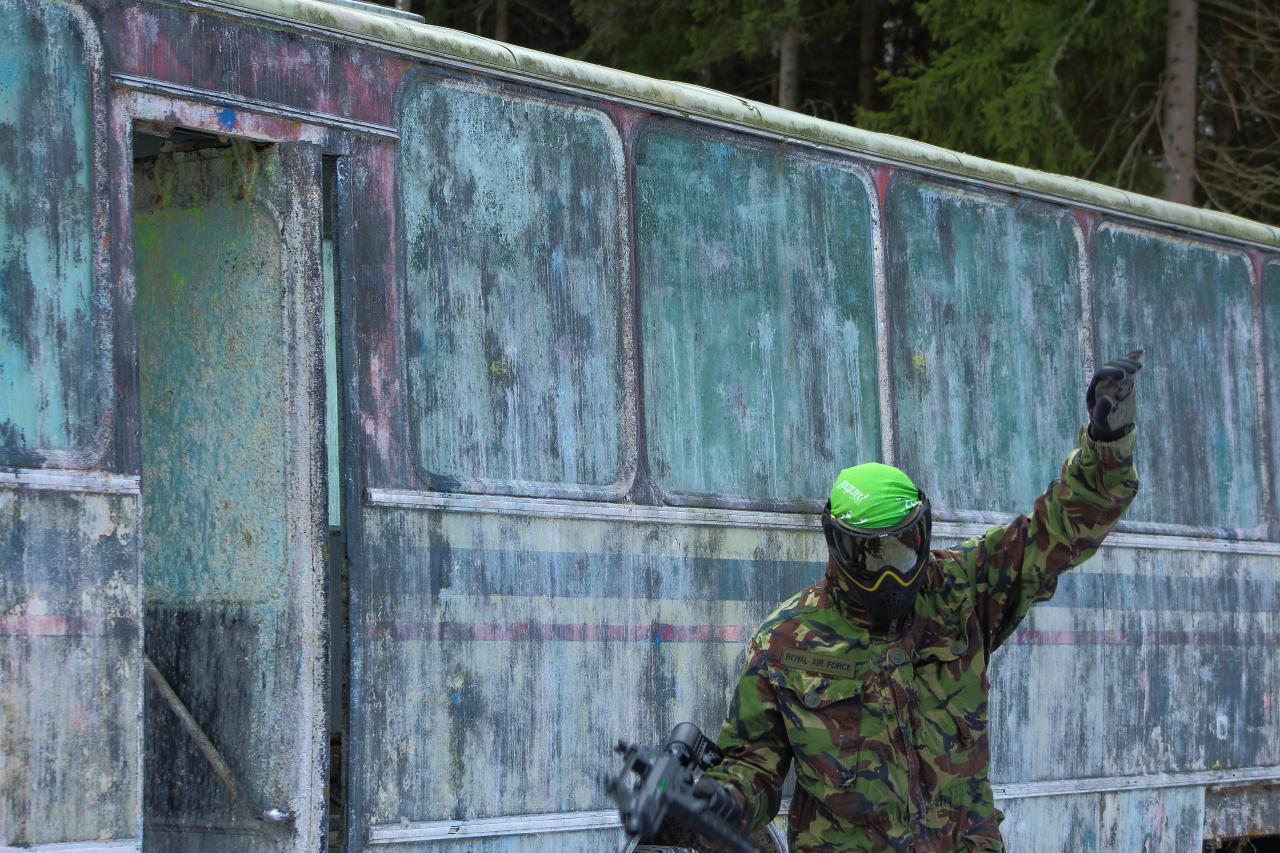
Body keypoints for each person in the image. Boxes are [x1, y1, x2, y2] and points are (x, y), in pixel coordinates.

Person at [695, 352, 1145, 852]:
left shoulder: (961, 592)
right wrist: (719, 798)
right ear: (838, 547)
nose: (891, 572)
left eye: (904, 548)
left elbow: (1056, 530)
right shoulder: (785, 644)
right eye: (872, 555)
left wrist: (1108, 443)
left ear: (923, 533)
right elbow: (752, 765)